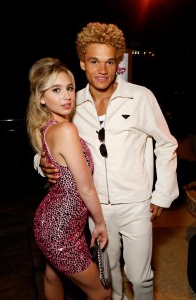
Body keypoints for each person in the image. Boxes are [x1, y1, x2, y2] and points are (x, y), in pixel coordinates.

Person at [34, 22, 179, 300]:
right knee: (108, 273)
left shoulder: (140, 97)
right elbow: (48, 141)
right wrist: (40, 164)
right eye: (94, 61)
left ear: (118, 63)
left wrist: (161, 195)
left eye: (109, 61)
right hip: (96, 207)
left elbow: (166, 143)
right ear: (82, 62)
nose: (102, 69)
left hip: (137, 204)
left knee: (140, 276)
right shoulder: (71, 103)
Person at [26, 57, 112, 300]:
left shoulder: (49, 127)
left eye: (70, 88)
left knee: (53, 276)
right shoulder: (65, 129)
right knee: (102, 293)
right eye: (56, 90)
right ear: (41, 97)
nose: (67, 96)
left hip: (50, 222)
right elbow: (85, 188)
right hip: (60, 229)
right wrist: (101, 224)